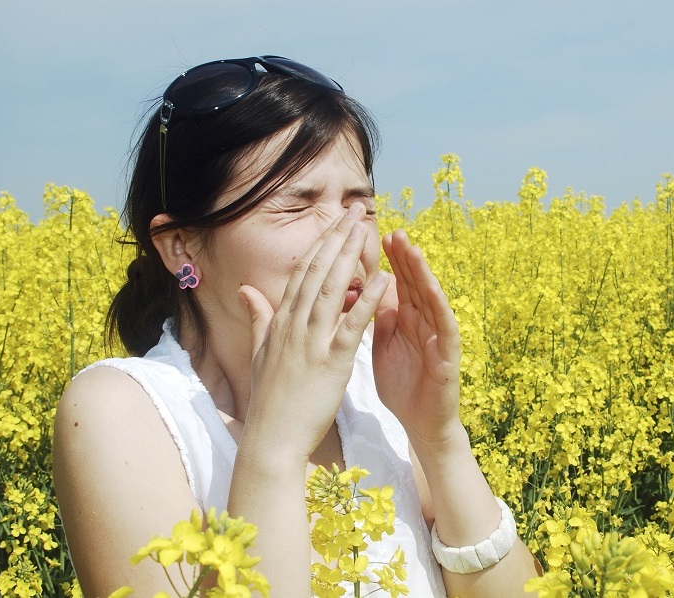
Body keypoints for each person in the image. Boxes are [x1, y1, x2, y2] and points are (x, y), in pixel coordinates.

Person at [52, 55, 539, 596]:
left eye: (361, 204)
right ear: (181, 246)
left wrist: (439, 436)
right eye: (295, 206)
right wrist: (276, 444)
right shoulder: (120, 409)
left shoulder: (370, 391)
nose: (348, 235)